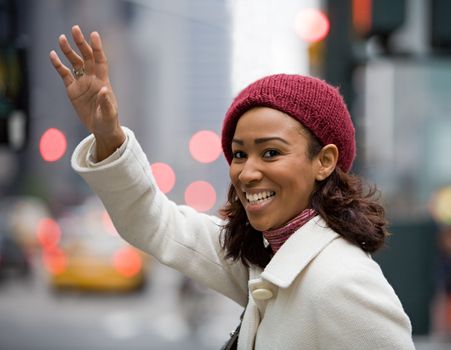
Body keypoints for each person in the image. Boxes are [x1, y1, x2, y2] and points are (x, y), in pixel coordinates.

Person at [50, 25, 415, 350]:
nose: (247, 172)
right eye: (240, 154)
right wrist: (107, 135)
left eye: (270, 152)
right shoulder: (265, 254)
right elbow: (154, 222)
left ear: (324, 161)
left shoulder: (344, 283)